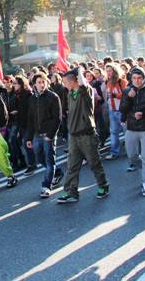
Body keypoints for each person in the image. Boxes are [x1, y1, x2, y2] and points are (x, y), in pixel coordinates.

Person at [57, 69, 109, 203]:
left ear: (74, 81)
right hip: (74, 136)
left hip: (87, 135)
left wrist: (78, 71)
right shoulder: (70, 93)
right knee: (72, 165)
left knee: (94, 163)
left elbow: (84, 86)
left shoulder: (86, 91)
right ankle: (71, 192)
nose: (64, 84)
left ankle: (103, 186)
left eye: (65, 81)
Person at [119, 67, 145, 197]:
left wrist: (144, 114)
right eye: (134, 78)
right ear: (131, 79)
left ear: (144, 78)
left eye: (139, 78)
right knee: (132, 156)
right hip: (131, 128)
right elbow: (122, 109)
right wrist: (128, 98)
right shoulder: (127, 91)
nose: (137, 81)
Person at [26, 72, 63, 198]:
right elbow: (30, 119)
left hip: (48, 134)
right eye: (39, 82)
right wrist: (29, 137)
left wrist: (51, 135)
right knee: (39, 158)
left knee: (49, 159)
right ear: (35, 85)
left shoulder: (53, 97)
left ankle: (46, 186)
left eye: (43, 82)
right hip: (36, 134)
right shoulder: (32, 99)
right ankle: (57, 171)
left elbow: (57, 118)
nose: (42, 84)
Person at [103, 63, 128, 160]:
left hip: (121, 110)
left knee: (127, 132)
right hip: (112, 109)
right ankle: (114, 153)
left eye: (110, 70)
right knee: (113, 132)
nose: (108, 73)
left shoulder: (122, 81)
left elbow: (126, 95)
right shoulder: (108, 82)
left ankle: (130, 151)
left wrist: (116, 96)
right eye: (107, 71)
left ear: (115, 71)